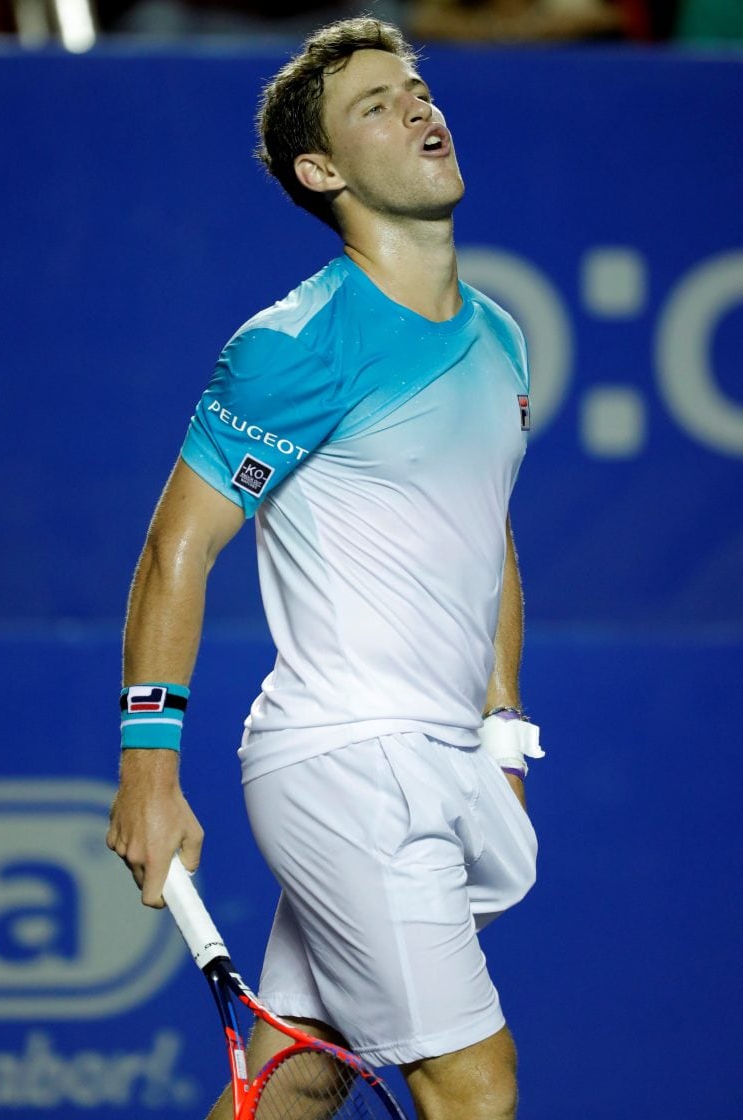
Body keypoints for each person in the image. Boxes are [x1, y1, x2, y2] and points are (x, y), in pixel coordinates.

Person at [107, 17, 542, 1120]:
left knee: (295, 1081)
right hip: (348, 761)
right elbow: (179, 544)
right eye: (375, 105)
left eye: (416, 88)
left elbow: (489, 537)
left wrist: (502, 730)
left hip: (439, 760)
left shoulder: (499, 336)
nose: (418, 108)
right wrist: (149, 772)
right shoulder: (293, 346)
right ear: (322, 170)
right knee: (474, 1084)